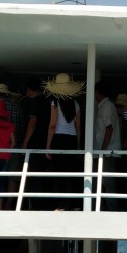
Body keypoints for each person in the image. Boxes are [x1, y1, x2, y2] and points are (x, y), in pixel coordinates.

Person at [43, 73, 83, 210]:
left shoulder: (55, 102)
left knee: (59, 173)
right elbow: (78, 126)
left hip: (58, 138)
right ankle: (76, 204)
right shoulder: (76, 104)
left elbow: (52, 125)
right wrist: (77, 144)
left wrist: (48, 146)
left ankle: (62, 204)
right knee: (72, 173)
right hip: (72, 139)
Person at [92, 82, 122, 209]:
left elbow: (109, 128)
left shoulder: (107, 106)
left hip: (107, 152)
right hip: (104, 151)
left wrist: (102, 150)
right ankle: (104, 209)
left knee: (107, 183)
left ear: (97, 92)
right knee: (103, 182)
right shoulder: (106, 106)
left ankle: (111, 210)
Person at [19, 79, 47, 208]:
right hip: (46, 142)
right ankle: (41, 203)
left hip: (35, 142)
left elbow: (32, 122)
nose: (26, 93)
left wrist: (25, 142)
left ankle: (34, 204)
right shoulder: (49, 101)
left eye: (27, 90)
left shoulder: (36, 101)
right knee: (41, 173)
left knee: (33, 174)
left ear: (31, 89)